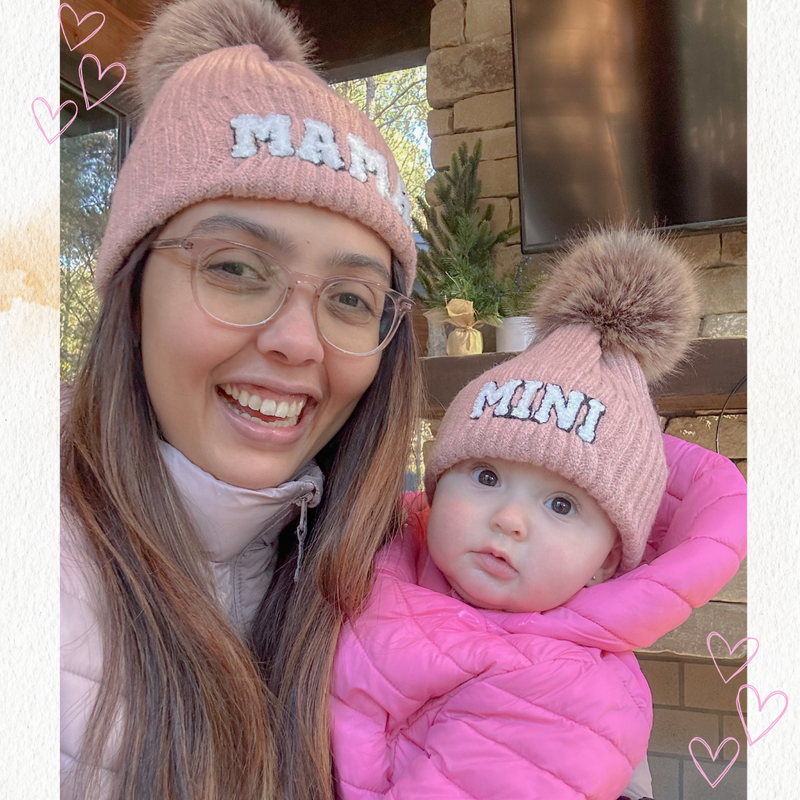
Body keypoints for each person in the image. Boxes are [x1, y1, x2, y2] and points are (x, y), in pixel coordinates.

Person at [60, 0, 423, 798]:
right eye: (233, 267)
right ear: (131, 298)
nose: (299, 340)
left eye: (352, 299)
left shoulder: (412, 573)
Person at [330, 229, 748, 799]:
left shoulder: (567, 691)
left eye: (560, 504)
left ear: (606, 562)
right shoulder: (380, 550)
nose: (508, 519)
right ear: (435, 485)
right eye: (485, 476)